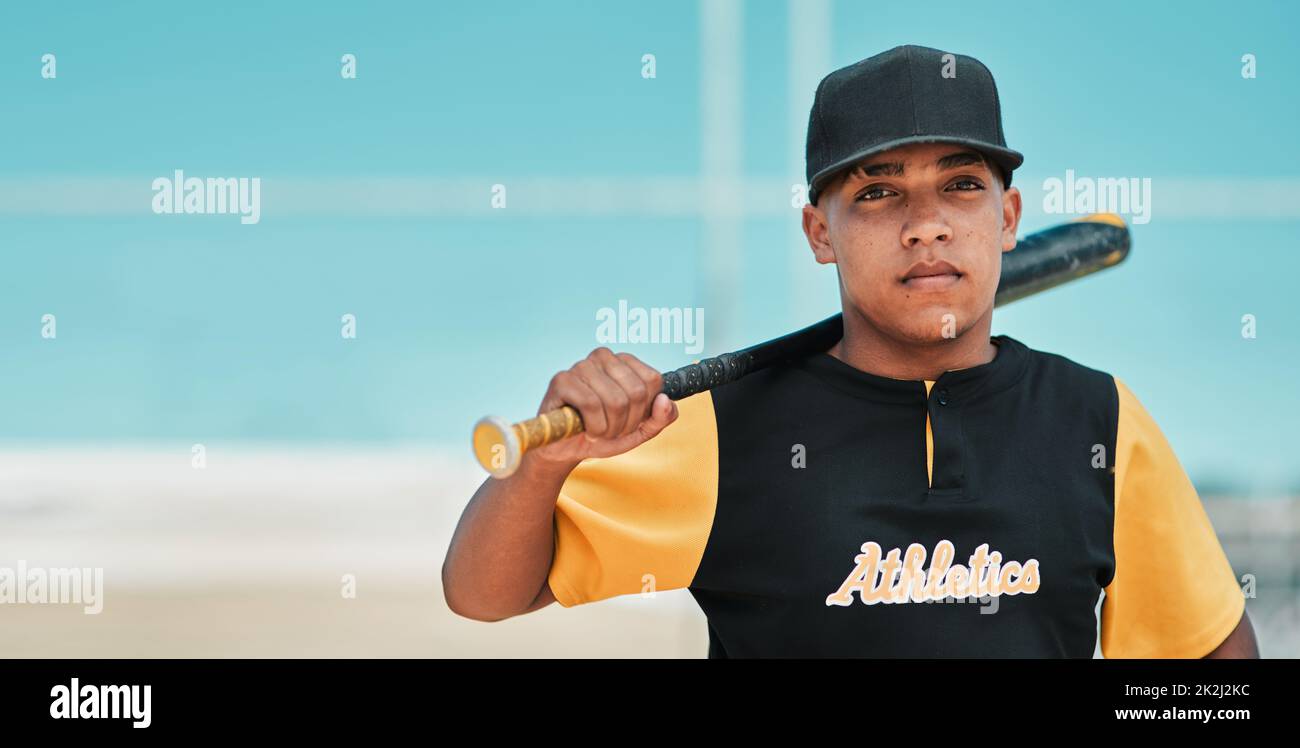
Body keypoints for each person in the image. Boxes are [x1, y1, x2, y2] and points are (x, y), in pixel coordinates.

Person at [442, 44, 1258, 658]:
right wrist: (544, 466)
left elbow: (1210, 664)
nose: (926, 222)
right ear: (818, 233)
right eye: (877, 192)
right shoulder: (721, 430)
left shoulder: (1097, 419)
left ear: (1007, 219)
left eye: (961, 184)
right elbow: (481, 596)